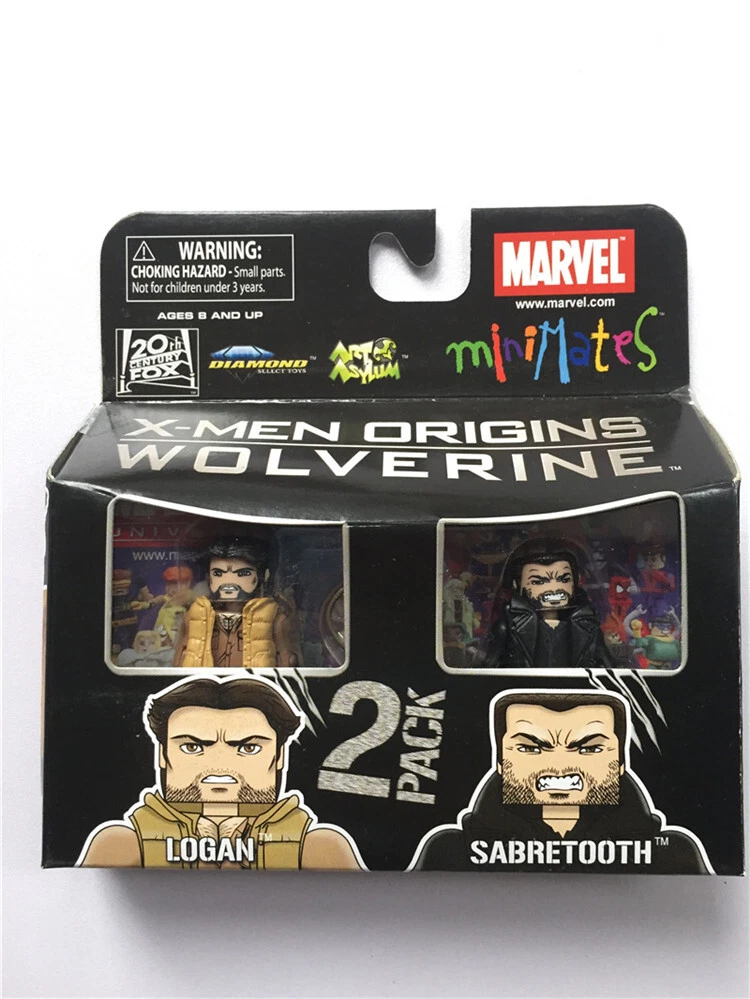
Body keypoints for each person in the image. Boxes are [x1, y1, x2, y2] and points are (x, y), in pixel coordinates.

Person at [78, 676, 363, 869]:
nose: (219, 771)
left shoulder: (318, 847)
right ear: (162, 754)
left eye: (248, 748)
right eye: (192, 747)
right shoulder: (122, 844)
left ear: (279, 757)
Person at [410, 689, 710, 873]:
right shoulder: (449, 848)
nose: (559, 766)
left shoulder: (671, 849)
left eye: (589, 749)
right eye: (530, 748)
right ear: (500, 760)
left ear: (620, 761)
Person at [482, 537, 612, 668]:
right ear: (516, 584)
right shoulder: (509, 627)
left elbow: (608, 665)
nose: (554, 588)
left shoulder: (588, 626)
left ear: (576, 581)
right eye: (538, 581)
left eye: (563, 579)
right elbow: (489, 667)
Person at [173, 537, 301, 669]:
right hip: (205, 680)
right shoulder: (196, 616)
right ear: (208, 577)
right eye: (218, 573)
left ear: (262, 576)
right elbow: (180, 655)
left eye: (243, 573)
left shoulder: (273, 618)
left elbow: (286, 658)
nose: (229, 582)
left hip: (254, 680)